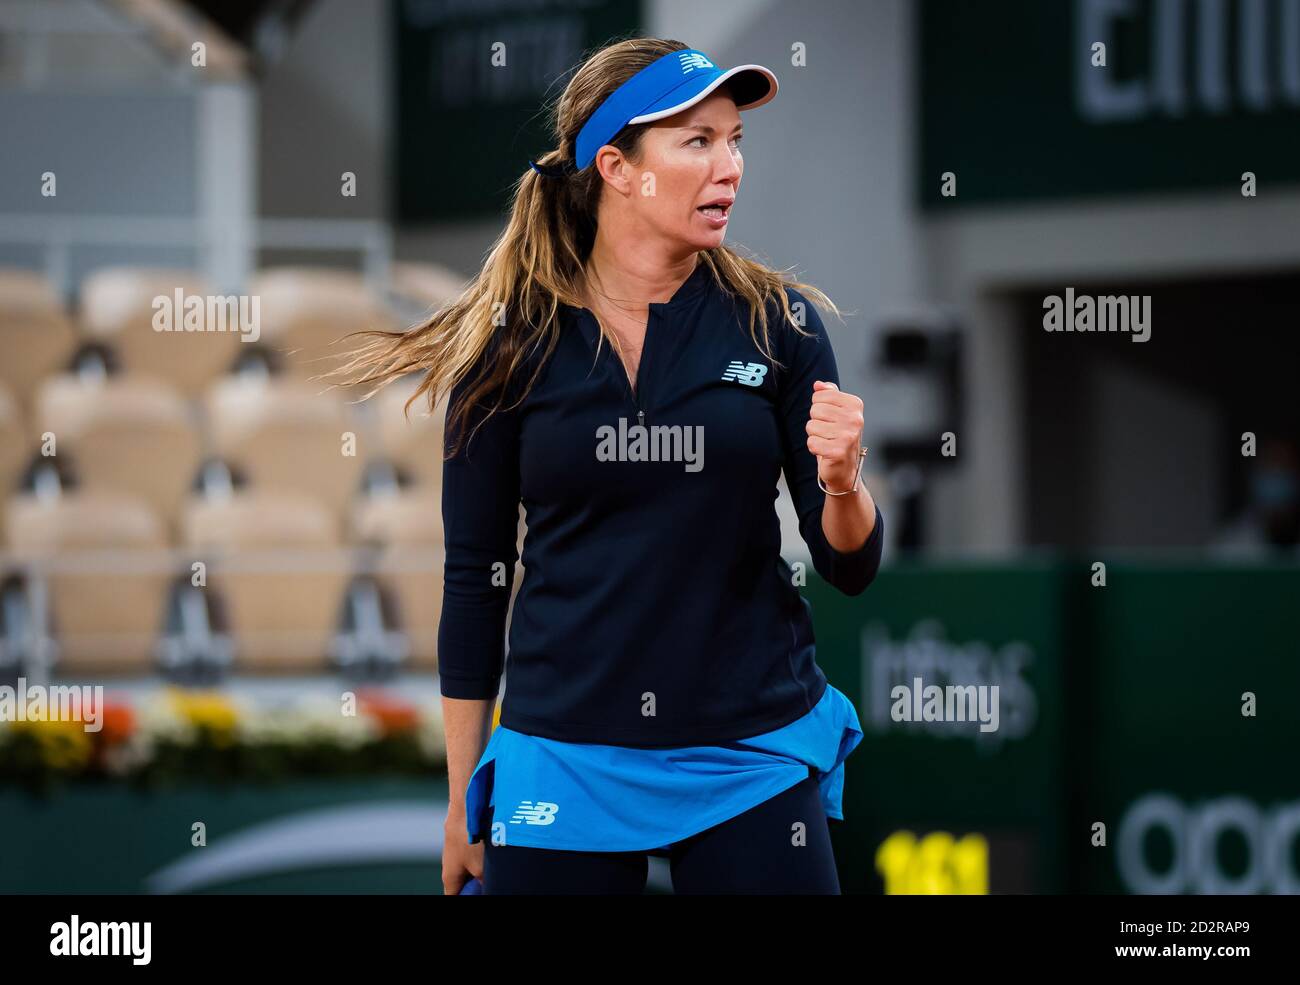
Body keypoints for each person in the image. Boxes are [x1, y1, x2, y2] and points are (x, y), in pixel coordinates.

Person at [335, 37, 884, 894]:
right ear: (617, 166)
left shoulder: (781, 325)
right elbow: (474, 579)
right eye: (697, 141)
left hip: (749, 746)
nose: (729, 166)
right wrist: (459, 797)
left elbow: (850, 564)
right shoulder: (507, 348)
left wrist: (846, 481)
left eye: (735, 139)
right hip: (562, 756)